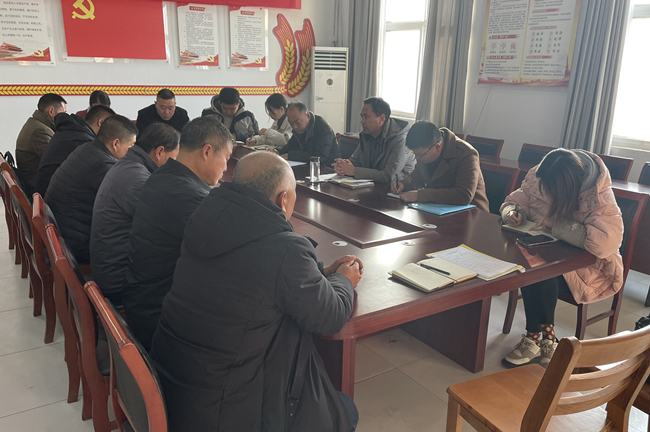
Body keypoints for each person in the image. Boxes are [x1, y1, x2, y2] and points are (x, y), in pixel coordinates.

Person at [151, 151, 361, 432]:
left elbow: (253, 276)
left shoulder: (204, 215)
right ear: (283, 199)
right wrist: (344, 280)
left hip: (176, 385)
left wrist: (320, 273)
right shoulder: (285, 247)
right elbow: (330, 317)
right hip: (227, 409)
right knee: (345, 410)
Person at [501, 149, 623, 368]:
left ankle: (538, 338)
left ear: (567, 185)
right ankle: (543, 338)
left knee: (541, 272)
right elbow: (514, 201)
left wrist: (553, 226)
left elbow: (604, 244)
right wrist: (511, 212)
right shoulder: (540, 175)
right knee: (531, 267)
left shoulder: (598, 194)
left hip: (589, 268)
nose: (546, 191)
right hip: (547, 253)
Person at [122, 117, 233, 351]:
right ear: (207, 151)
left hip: (142, 301)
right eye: (226, 158)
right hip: (160, 320)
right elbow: (234, 251)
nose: (225, 168)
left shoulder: (162, 176)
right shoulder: (190, 197)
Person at [90, 124, 180, 306]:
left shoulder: (129, 164)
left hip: (109, 265)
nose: (176, 164)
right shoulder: (137, 179)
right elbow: (164, 227)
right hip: (118, 278)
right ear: (160, 152)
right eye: (174, 158)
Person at [45, 116, 137, 264]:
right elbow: (125, 203)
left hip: (65, 231)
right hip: (77, 243)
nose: (132, 153)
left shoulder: (87, 149)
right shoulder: (103, 164)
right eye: (131, 146)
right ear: (116, 143)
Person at [390, 121, 489, 212]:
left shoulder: (466, 154)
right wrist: (403, 184)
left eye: (419, 155)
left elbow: (464, 195)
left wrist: (420, 195)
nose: (416, 158)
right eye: (414, 154)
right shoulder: (426, 151)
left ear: (438, 146)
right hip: (438, 210)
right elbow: (416, 178)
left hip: (472, 214)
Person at [36, 105, 115, 197]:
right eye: (112, 128)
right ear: (100, 122)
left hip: (47, 194)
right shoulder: (83, 141)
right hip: (53, 198)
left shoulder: (72, 132)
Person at [333, 97, 415, 183]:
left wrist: (354, 171)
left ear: (381, 119)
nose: (362, 121)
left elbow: (388, 176)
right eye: (362, 117)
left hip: (396, 189)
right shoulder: (367, 135)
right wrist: (342, 166)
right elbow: (355, 162)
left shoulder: (401, 140)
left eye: (366, 117)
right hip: (371, 185)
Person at [15, 93, 67, 194]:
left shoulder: (35, 123)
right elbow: (54, 161)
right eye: (63, 113)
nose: (65, 116)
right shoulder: (40, 131)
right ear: (51, 111)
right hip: (37, 187)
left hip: (33, 182)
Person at [275, 102, 341, 167]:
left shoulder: (323, 128)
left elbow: (319, 157)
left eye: (298, 122)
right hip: (307, 166)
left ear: (308, 116)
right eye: (291, 123)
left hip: (328, 168)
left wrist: (290, 155)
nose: (294, 126)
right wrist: (278, 151)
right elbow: (291, 146)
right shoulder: (299, 129)